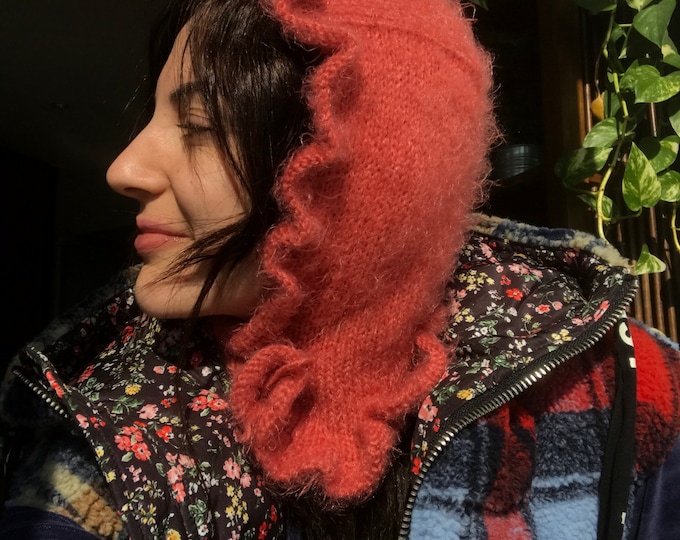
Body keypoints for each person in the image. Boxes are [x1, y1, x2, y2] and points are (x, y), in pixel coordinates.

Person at [1, 0, 679, 538]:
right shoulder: (105, 416)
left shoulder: (617, 384)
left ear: (368, 178)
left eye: (200, 126)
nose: (123, 169)